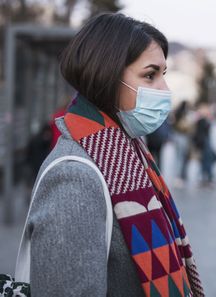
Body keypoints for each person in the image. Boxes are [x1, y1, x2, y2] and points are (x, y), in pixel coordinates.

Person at [20, 13, 204, 296]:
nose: (164, 90)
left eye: (162, 75)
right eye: (150, 75)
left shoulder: (127, 150)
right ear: (107, 76)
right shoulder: (74, 178)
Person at [172, 100, 194, 188]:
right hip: (183, 136)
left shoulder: (177, 113)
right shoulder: (185, 114)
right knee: (182, 157)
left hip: (177, 136)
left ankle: (180, 176)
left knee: (179, 157)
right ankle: (180, 177)